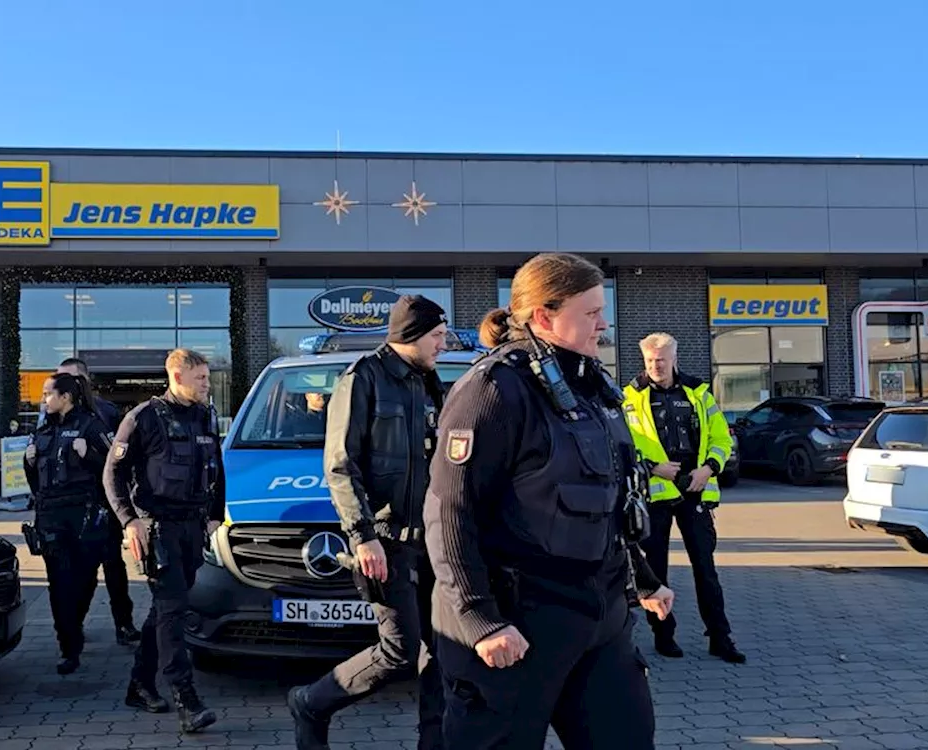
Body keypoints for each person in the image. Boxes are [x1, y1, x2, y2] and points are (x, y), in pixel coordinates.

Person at [424, 252, 676, 749]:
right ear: (544, 316)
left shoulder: (590, 386)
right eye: (591, 313)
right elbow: (450, 511)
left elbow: (610, 497)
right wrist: (481, 618)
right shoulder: (494, 390)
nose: (604, 324)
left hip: (599, 617)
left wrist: (644, 578)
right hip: (515, 624)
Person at [287, 294, 450, 750]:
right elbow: (340, 465)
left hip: (430, 542)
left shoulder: (428, 382)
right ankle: (311, 702)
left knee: (440, 651)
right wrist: (362, 537)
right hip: (384, 541)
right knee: (399, 652)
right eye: (436, 335)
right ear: (412, 335)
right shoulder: (364, 379)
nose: (442, 343)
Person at [105, 348, 224, 734]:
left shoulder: (206, 415)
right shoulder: (144, 418)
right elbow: (113, 474)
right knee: (173, 609)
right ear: (177, 376)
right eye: (201, 378)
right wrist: (129, 521)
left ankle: (140, 684)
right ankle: (185, 698)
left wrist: (213, 518)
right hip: (158, 529)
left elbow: (216, 469)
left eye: (207, 377)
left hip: (193, 527)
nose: (207, 384)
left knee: (165, 610)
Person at [623, 333, 745, 664]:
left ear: (674, 358)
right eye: (649, 361)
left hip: (696, 490)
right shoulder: (631, 397)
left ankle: (720, 638)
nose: (655, 366)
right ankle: (663, 635)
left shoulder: (698, 393)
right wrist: (653, 467)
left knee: (706, 570)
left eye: (660, 360)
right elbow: (623, 445)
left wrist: (709, 469)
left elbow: (720, 437)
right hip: (657, 494)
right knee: (656, 571)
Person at [22, 373, 116, 675]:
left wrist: (88, 455)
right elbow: (36, 483)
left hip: (84, 516)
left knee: (85, 579)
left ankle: (74, 627)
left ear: (66, 397)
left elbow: (116, 469)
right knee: (59, 585)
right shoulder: (42, 431)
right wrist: (29, 462)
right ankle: (68, 646)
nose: (44, 399)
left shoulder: (91, 426)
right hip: (51, 516)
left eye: (49, 393)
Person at [44, 357, 139, 646]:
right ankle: (75, 626)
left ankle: (124, 623)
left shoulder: (105, 413)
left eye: (70, 379)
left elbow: (118, 460)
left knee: (112, 566)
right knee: (75, 573)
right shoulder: (52, 417)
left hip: (102, 505)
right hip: (68, 509)